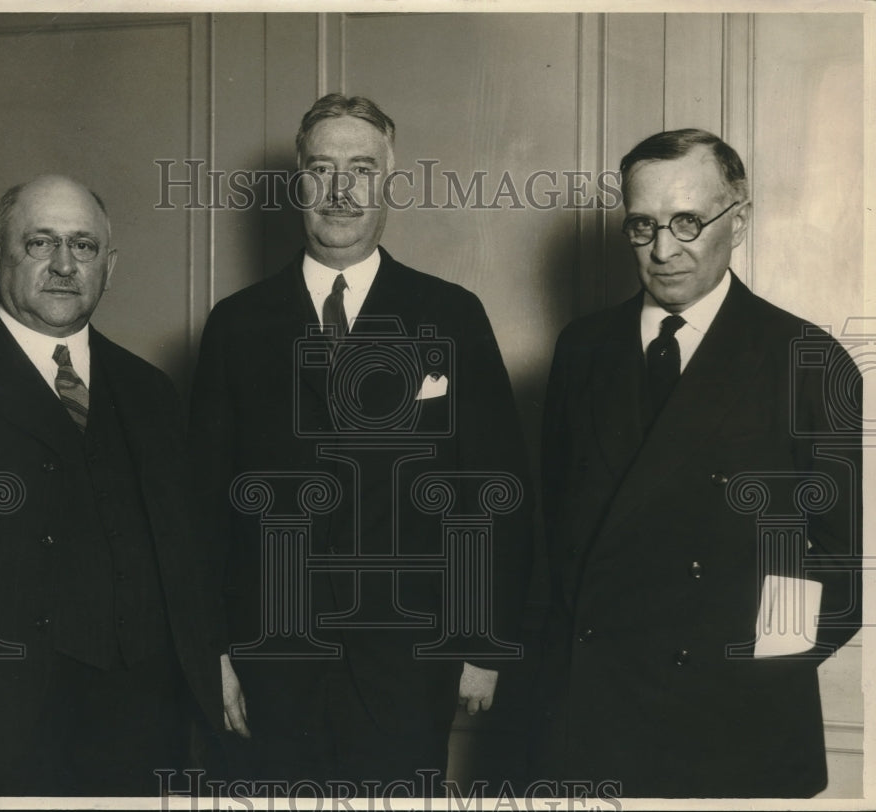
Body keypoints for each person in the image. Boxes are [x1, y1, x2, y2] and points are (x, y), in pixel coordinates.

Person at [189, 94, 534, 794]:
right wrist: (211, 654)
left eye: (361, 170)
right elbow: (199, 511)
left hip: (409, 666)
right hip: (269, 667)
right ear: (299, 185)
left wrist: (484, 643)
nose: (341, 191)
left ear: (388, 184)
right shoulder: (236, 326)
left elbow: (496, 488)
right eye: (322, 169)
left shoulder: (451, 314)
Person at [534, 129, 862, 797]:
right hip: (598, 724)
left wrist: (752, 672)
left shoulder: (807, 358)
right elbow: (555, 534)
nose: (663, 251)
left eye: (687, 222)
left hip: (733, 732)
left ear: (737, 221)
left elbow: (836, 560)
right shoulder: (581, 350)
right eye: (642, 226)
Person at [0, 175, 225, 796]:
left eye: (84, 246)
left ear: (109, 266)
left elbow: (188, 562)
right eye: (41, 243)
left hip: (139, 736)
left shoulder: (150, 391)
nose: (66, 264)